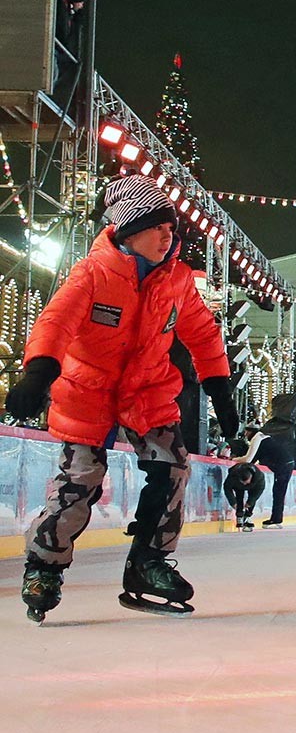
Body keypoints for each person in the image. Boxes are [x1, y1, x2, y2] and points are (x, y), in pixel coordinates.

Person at [7, 174, 237, 622]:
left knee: (172, 469)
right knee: (80, 483)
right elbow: (56, 322)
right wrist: (39, 373)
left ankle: (149, 565)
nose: (168, 236)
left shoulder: (178, 280)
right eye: (157, 227)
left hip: (148, 390)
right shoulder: (93, 273)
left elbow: (204, 336)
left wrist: (221, 394)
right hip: (86, 390)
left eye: (171, 228)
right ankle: (43, 567)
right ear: (129, 231)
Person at [233, 424, 296, 529]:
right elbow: (254, 458)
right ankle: (276, 518)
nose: (245, 434)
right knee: (279, 491)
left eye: (246, 432)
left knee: (278, 492)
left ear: (251, 432)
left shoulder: (257, 438)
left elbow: (248, 459)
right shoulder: (263, 438)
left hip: (283, 465)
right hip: (286, 463)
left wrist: (233, 460)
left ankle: (276, 520)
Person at [223, 462, 265, 531]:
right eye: (243, 482)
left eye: (246, 482)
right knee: (239, 496)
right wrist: (232, 502)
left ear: (250, 477)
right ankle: (239, 515)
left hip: (254, 486)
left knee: (251, 499)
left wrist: (250, 502)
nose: (245, 484)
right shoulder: (233, 476)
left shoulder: (259, 477)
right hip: (237, 485)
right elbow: (227, 488)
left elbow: (259, 490)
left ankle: (247, 516)